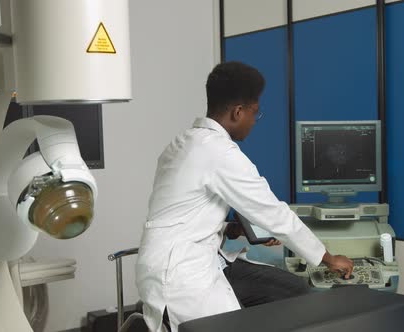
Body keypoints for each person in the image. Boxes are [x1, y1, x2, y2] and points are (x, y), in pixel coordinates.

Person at [135, 61, 354, 332]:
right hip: (181, 274)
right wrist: (329, 258)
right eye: (255, 113)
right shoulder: (220, 153)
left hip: (181, 259)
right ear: (238, 112)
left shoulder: (181, 143)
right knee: (287, 302)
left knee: (294, 289)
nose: (254, 121)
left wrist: (230, 229)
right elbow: (275, 214)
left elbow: (181, 213)